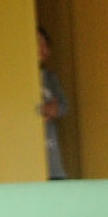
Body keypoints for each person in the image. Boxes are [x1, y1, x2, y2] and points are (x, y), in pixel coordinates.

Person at [38, 27, 69, 181]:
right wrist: (41, 110)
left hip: (51, 156)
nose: (43, 49)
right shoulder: (18, 79)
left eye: (46, 45)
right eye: (39, 44)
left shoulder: (50, 77)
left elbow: (63, 106)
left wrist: (53, 109)